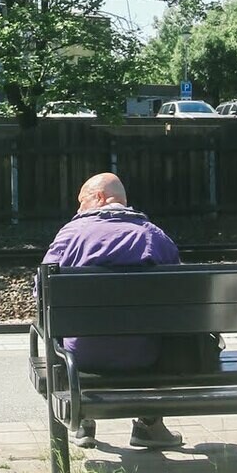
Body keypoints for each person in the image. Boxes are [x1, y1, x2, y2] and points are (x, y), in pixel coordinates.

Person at [42, 172, 191, 451]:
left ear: (99, 197)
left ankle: (83, 419)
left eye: (81, 201)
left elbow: (41, 292)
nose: (78, 209)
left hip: (80, 357)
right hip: (143, 356)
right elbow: (183, 295)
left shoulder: (71, 234)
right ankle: (149, 425)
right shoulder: (153, 235)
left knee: (65, 329)